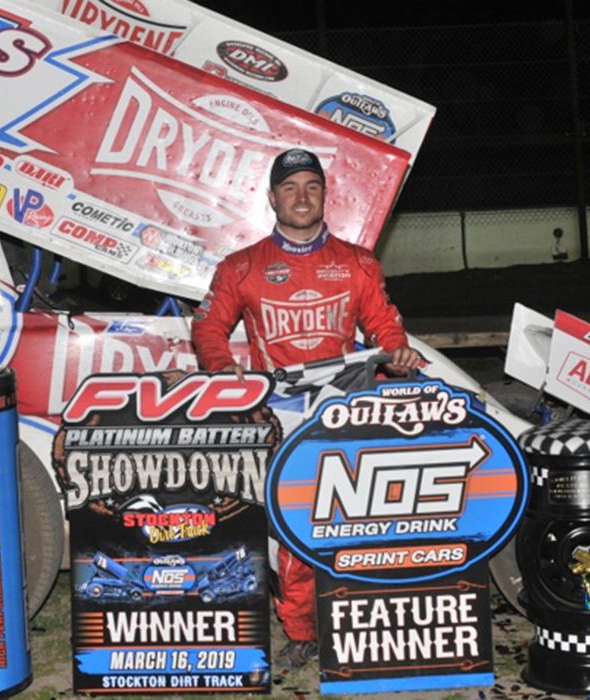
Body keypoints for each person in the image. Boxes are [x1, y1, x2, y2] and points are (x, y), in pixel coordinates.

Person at [191, 148, 420, 669]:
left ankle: (360, 622)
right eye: (289, 187)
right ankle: (301, 631)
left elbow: (383, 325)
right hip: (279, 417)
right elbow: (207, 327)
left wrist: (399, 351)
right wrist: (223, 368)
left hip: (344, 413)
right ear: (272, 198)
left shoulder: (357, 262)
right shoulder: (241, 266)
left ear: (324, 196)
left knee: (356, 523)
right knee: (292, 529)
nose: (301, 196)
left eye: (311, 186)